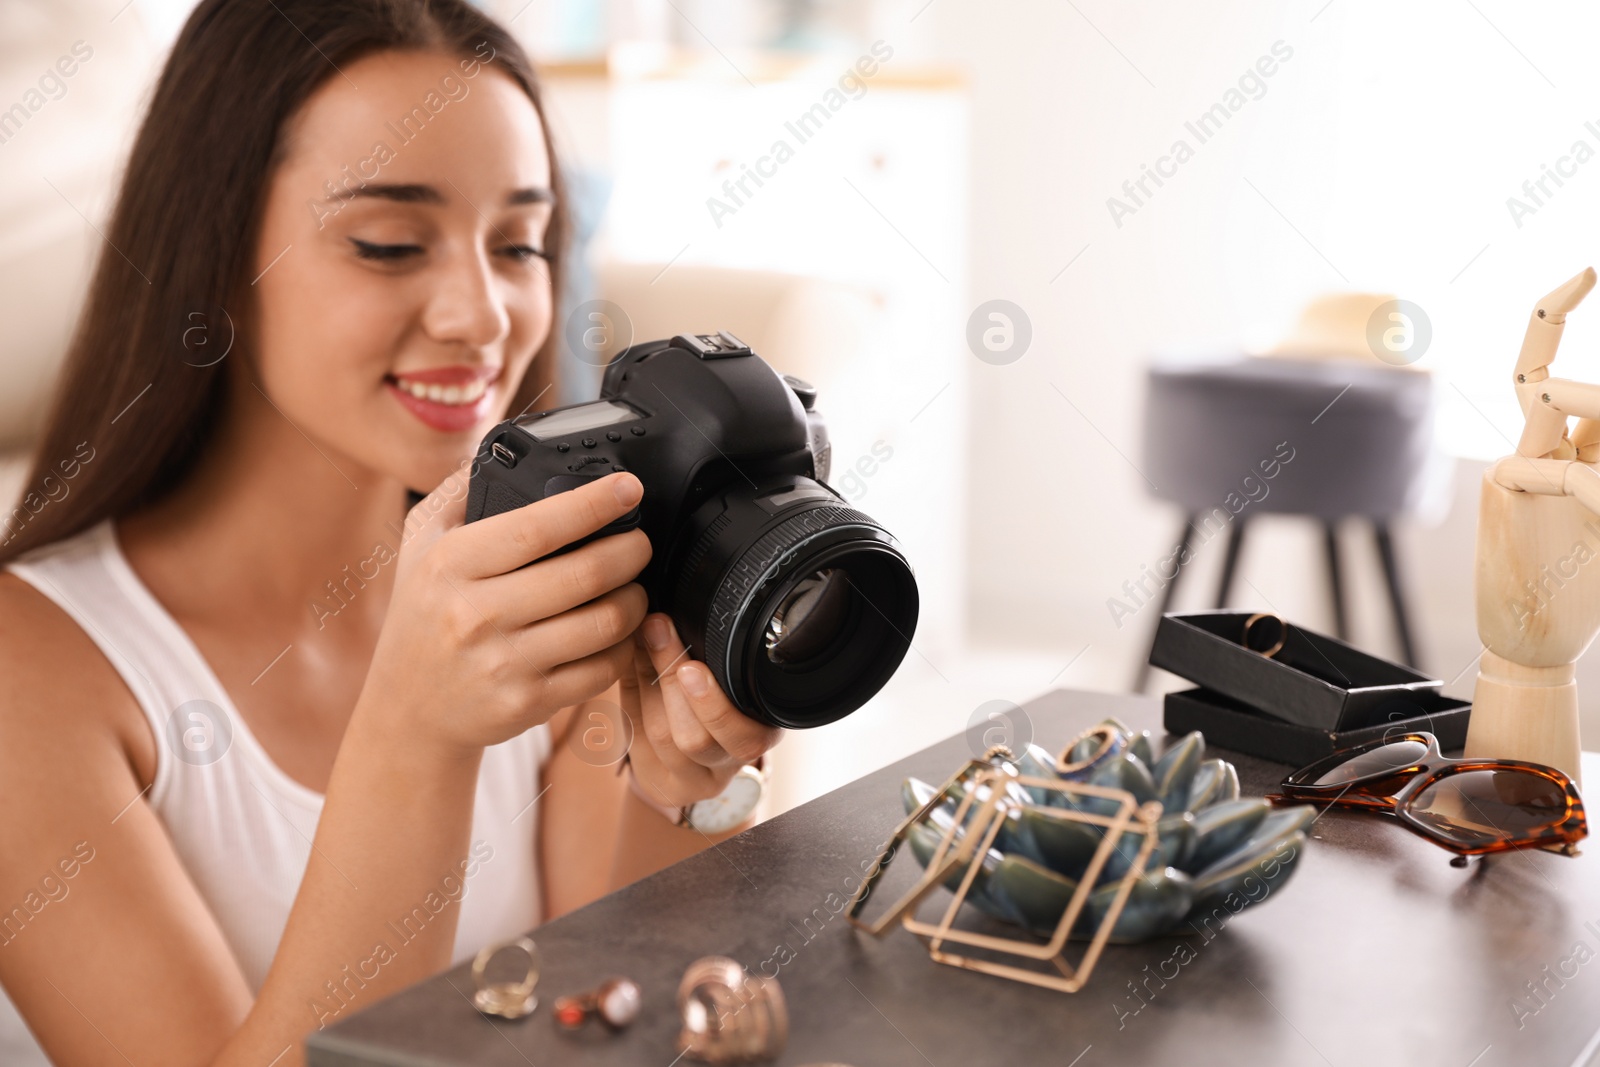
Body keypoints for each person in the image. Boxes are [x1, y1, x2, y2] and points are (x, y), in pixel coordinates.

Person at [0, 2, 781, 1064]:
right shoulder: (35, 668)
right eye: (389, 243)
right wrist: (419, 725)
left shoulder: (540, 581)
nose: (483, 312)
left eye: (519, 242)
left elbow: (620, 1009)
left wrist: (682, 785)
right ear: (216, 259)